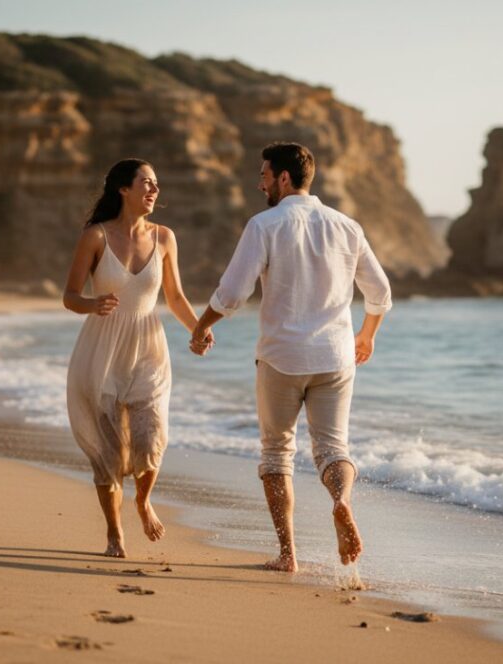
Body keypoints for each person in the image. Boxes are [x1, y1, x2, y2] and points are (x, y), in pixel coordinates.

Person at [189, 142, 392, 572]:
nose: (259, 182)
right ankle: (341, 500)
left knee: (276, 453)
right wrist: (367, 335)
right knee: (333, 447)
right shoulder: (346, 226)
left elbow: (232, 293)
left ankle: (288, 555)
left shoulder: (264, 225)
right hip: (335, 357)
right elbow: (380, 293)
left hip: (280, 357)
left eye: (264, 174)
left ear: (283, 177)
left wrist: (202, 325)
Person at [64, 158, 212, 558]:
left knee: (151, 435)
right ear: (123, 190)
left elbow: (175, 297)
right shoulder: (95, 237)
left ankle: (143, 501)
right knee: (108, 453)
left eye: (157, 184)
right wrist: (92, 304)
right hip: (102, 349)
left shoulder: (164, 237)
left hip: (149, 347)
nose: (154, 190)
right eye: (146, 183)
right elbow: (70, 296)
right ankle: (114, 533)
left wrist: (198, 329)